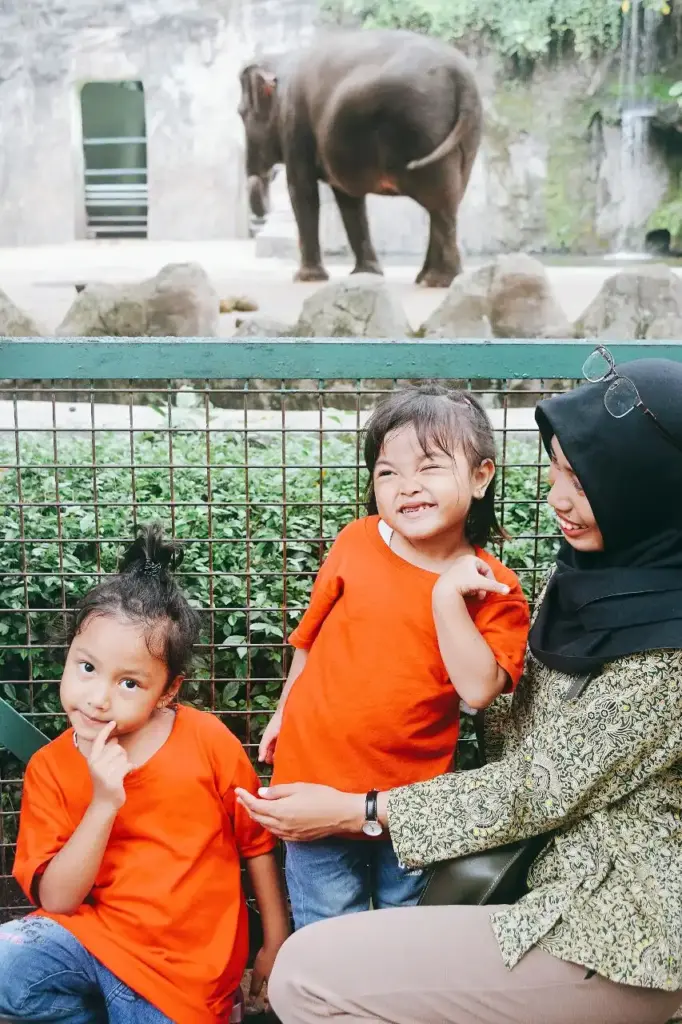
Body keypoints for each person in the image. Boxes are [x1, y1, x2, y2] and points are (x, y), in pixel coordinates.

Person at [237, 352, 682, 1024]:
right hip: (525, 873)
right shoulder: (592, 577)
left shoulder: (666, 652)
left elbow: (537, 782)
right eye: (556, 471)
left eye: (585, 481)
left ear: (649, 487)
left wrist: (361, 808)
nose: (558, 499)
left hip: (611, 928)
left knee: (307, 976)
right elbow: (507, 719)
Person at [258, 384, 530, 927]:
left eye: (430, 467)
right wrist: (283, 712)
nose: (408, 486)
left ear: (481, 476)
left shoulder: (494, 585)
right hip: (311, 782)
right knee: (327, 930)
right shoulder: (356, 541)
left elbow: (479, 690)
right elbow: (309, 639)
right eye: (387, 472)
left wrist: (447, 597)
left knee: (403, 931)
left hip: (410, 803)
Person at [0, 524, 290, 1024]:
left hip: (184, 974)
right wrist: (103, 804)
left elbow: (257, 844)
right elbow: (58, 900)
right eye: (86, 667)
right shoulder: (50, 768)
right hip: (92, 939)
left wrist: (275, 940)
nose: (98, 698)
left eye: (129, 683)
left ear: (168, 690)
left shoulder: (207, 740)